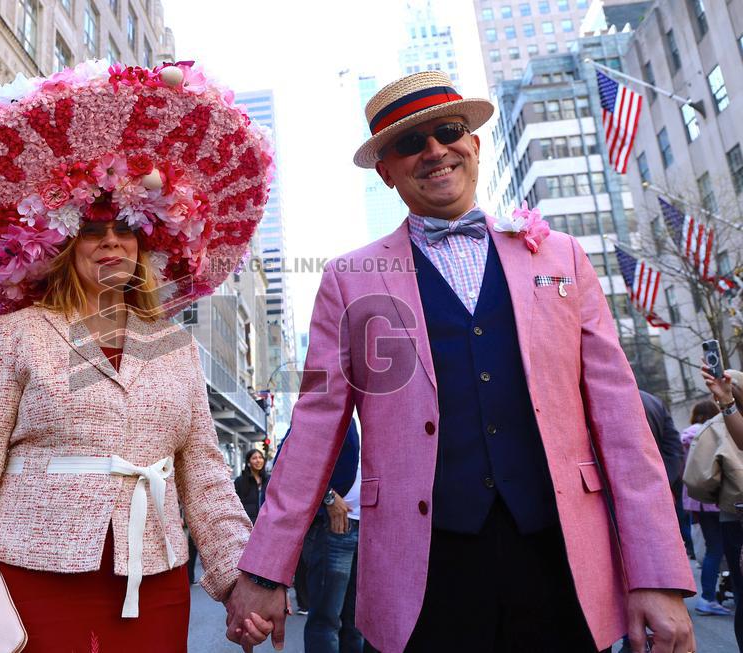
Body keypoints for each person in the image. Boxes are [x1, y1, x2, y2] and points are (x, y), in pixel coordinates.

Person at [226, 70, 695, 653]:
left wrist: (657, 577)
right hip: (422, 573)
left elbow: (623, 423)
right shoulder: (348, 280)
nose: (433, 151)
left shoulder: (562, 257)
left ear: (474, 143)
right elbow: (317, 428)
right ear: (386, 171)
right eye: (409, 142)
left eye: (447, 131)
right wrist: (267, 570)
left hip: (561, 560)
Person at [0, 61, 273, 653]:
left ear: (147, 243)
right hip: (31, 574)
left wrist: (236, 579)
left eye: (127, 227)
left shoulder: (176, 345)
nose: (113, 241)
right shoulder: (17, 332)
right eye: (94, 229)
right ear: (66, 244)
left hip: (157, 580)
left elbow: (203, 472)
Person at [687, 366, 743, 647]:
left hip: (730, 514)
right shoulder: (723, 424)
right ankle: (708, 597)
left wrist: (719, 499)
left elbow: (697, 481)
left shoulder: (714, 426)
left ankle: (708, 596)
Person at [297, 419, 362, 653]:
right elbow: (295, 456)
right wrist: (328, 497)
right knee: (326, 621)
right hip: (332, 528)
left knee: (358, 624)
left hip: (369, 530)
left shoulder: (380, 410)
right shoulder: (333, 403)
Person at [679, 399, 729, 616]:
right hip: (715, 497)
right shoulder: (715, 432)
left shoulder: (687, 437)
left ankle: (709, 596)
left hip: (695, 499)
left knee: (713, 547)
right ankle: (708, 597)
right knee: (720, 548)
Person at [640, 390, 685, 487]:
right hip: (662, 483)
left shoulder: (607, 403)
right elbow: (674, 448)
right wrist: (666, 480)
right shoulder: (654, 402)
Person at [235, 449, 269, 524]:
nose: (258, 460)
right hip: (248, 524)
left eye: (260, 457)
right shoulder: (240, 481)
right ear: (248, 462)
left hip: (267, 523)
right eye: (254, 458)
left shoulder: (269, 480)